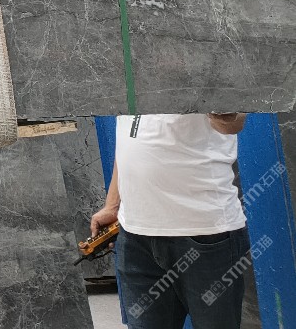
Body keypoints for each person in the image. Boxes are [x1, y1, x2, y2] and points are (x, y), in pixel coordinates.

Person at [89, 113, 249, 329]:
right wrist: (113, 204)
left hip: (205, 234)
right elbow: (130, 135)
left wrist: (223, 112)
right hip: (136, 237)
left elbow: (232, 123)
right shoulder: (126, 89)